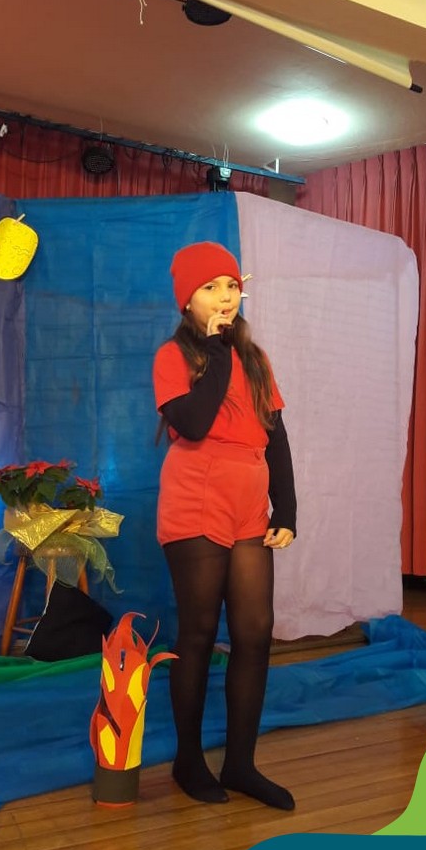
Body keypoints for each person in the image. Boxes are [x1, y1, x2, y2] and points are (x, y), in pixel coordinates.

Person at [153, 241, 297, 810]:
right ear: (187, 300)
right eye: (210, 287)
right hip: (196, 498)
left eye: (232, 285)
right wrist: (214, 350)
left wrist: (287, 509)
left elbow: (276, 435)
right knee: (197, 632)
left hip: (248, 503)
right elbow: (191, 424)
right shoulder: (174, 355)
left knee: (255, 632)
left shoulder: (256, 359)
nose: (225, 296)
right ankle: (188, 762)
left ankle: (240, 764)